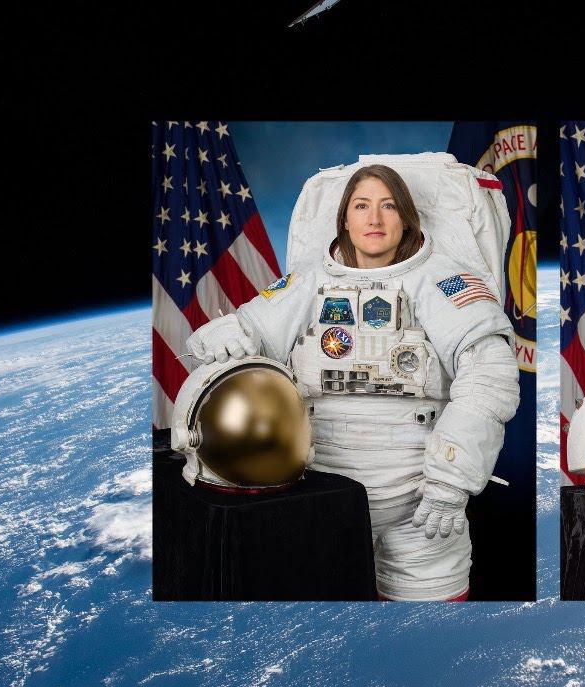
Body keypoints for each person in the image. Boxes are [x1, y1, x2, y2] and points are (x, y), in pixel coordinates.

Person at [185, 164, 520, 601]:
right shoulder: (308, 281)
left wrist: (452, 480)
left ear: (406, 217)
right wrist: (224, 336)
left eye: (388, 206)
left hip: (421, 499)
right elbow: (250, 329)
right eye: (362, 206)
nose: (375, 219)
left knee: (428, 632)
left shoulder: (444, 281)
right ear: (344, 217)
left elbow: (489, 379)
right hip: (319, 493)